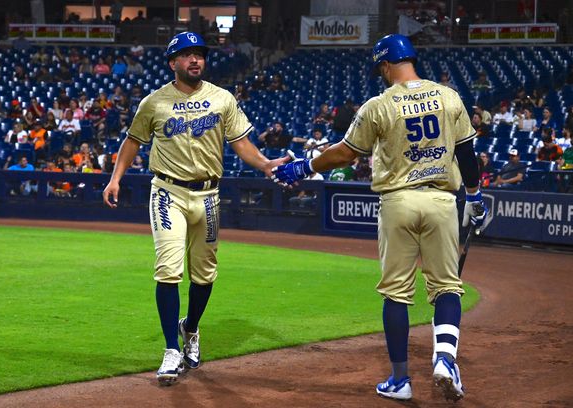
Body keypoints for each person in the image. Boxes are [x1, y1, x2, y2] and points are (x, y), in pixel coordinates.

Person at [272, 34, 487, 402]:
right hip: (441, 200)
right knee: (447, 287)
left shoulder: (379, 104)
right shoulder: (449, 96)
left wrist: (304, 165)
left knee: (397, 294)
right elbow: (467, 154)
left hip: (398, 202)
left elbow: (343, 154)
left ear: (386, 65)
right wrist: (476, 196)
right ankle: (445, 359)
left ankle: (400, 380)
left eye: (381, 68)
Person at [101, 31, 289, 385]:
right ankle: (171, 349)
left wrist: (265, 164)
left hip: (209, 196)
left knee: (204, 276)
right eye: (186, 55)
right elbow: (132, 141)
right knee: (168, 271)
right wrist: (115, 179)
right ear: (173, 63)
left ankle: (191, 327)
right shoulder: (154, 102)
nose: (195, 60)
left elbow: (241, 143)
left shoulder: (222, 98)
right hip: (167, 192)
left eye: (199, 54)